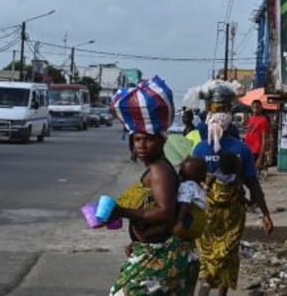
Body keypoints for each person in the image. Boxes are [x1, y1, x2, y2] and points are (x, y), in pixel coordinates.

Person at [107, 76, 200, 296]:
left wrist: (121, 211)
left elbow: (165, 213)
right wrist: (139, 244)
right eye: (137, 139)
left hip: (163, 254)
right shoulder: (156, 168)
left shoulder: (159, 170)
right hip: (154, 250)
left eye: (148, 139)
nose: (141, 145)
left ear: (162, 140)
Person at [192, 112, 273, 296]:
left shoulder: (200, 148)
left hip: (207, 212)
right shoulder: (242, 149)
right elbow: (253, 183)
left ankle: (205, 288)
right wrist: (265, 214)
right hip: (233, 214)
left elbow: (192, 183)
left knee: (207, 253)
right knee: (228, 254)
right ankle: (219, 292)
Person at [173, 157, 208, 240]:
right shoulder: (193, 186)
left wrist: (179, 221)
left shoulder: (190, 185)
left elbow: (186, 203)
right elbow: (186, 203)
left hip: (192, 217)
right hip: (193, 220)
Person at [244, 100, 271, 171]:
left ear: (261, 108)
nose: (255, 108)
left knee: (254, 175)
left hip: (256, 151)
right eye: (254, 107)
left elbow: (264, 139)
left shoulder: (263, 120)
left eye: (257, 107)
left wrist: (260, 157)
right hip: (248, 150)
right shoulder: (250, 119)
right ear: (251, 108)